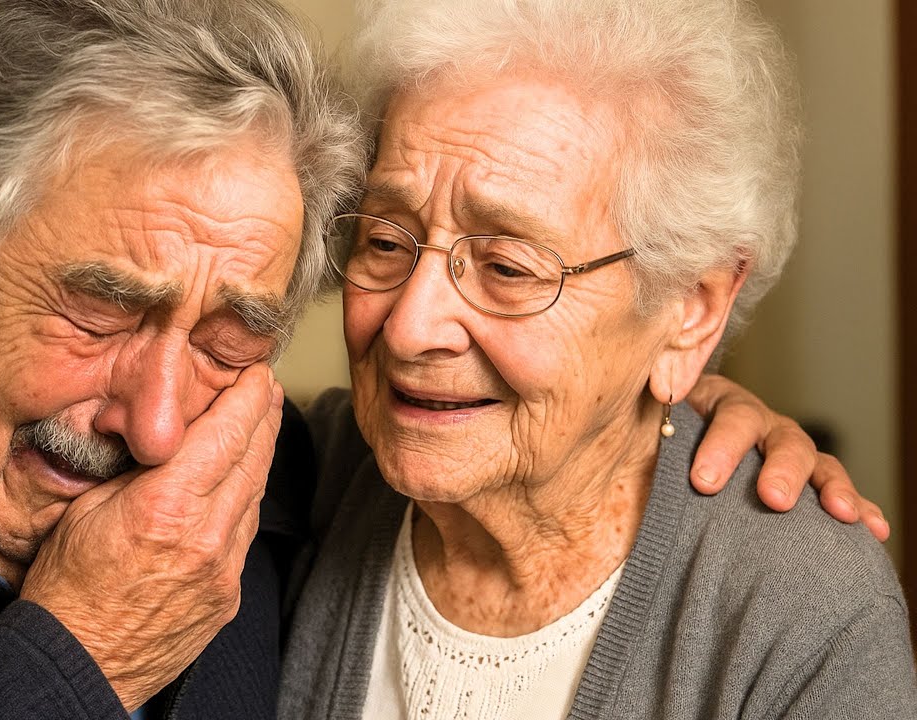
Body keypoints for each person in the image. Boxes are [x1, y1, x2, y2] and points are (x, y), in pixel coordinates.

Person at [0, 0, 885, 718]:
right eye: (100, 309)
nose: (166, 425)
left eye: (236, 331)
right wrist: (80, 653)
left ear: (690, 308)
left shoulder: (307, 471)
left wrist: (639, 395)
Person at [280, 0, 916, 718]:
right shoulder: (285, 485)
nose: (408, 328)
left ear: (690, 311)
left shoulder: (801, 611)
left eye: (508, 268)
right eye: (388, 243)